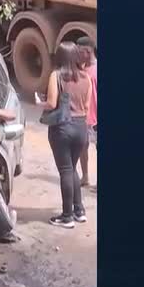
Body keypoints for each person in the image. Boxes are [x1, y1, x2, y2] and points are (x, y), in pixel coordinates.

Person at [44, 41, 93, 228]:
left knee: (65, 170)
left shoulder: (56, 76)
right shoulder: (86, 77)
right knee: (72, 168)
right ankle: (79, 211)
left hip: (62, 128)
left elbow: (51, 103)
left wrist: (39, 103)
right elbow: (87, 106)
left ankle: (67, 217)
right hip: (81, 127)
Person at [76, 37, 98, 189]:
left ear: (88, 51)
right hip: (83, 117)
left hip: (96, 118)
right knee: (83, 147)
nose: (77, 54)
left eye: (80, 51)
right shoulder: (82, 69)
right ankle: (85, 177)